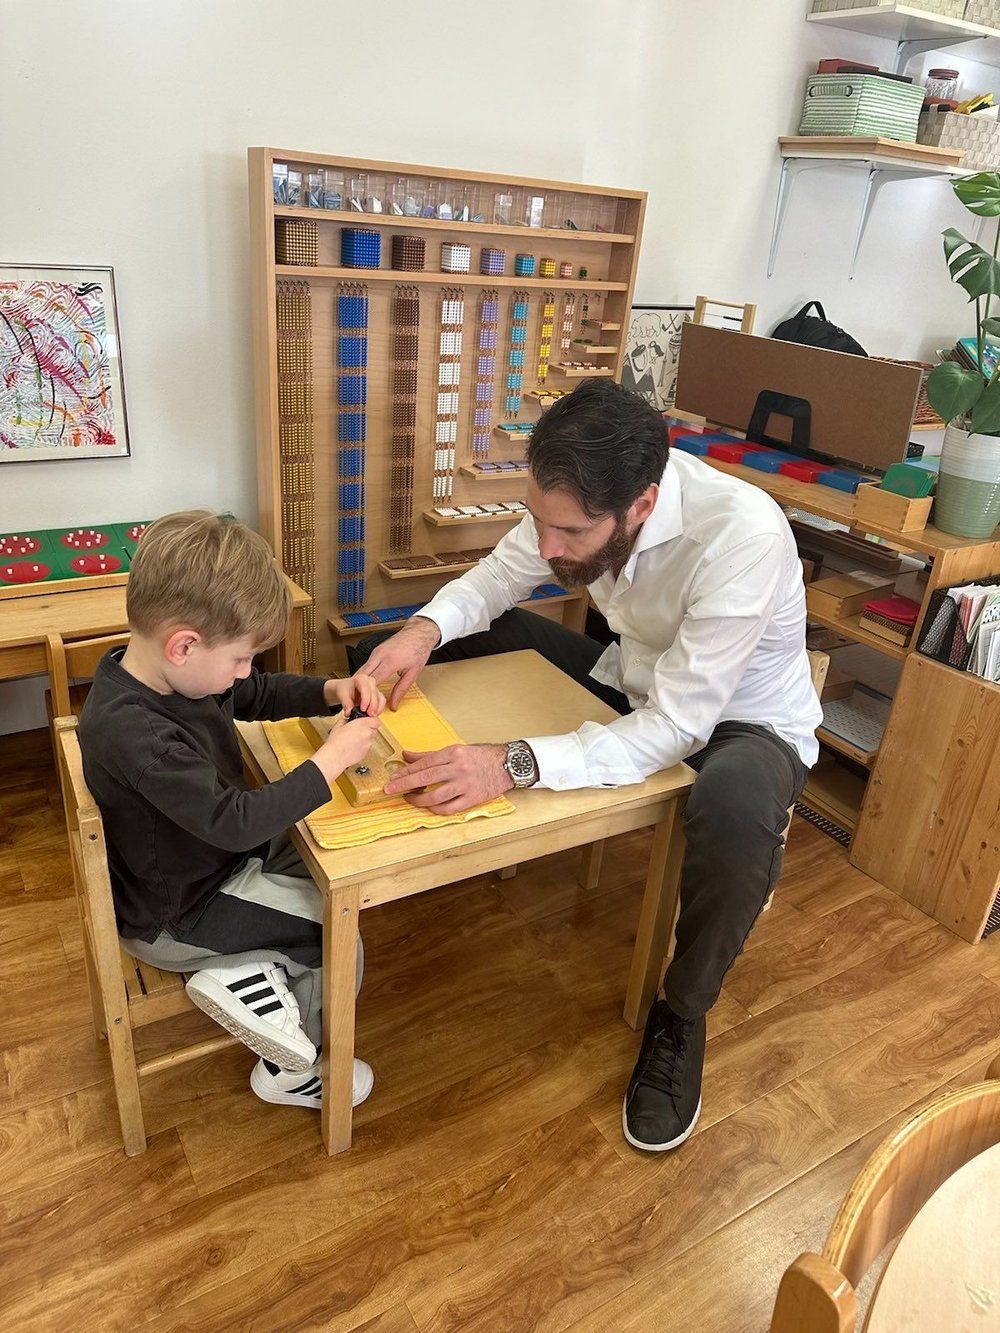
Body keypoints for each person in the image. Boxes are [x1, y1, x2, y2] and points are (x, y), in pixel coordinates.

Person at [348, 378, 821, 1152]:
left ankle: (682, 1014)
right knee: (420, 644)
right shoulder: (572, 510)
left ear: (639, 506)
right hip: (631, 685)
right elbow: (500, 578)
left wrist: (511, 763)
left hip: (737, 724)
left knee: (732, 810)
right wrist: (421, 631)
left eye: (567, 531)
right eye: (538, 518)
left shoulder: (745, 537)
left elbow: (677, 724)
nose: (546, 547)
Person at [80, 510, 384, 1112]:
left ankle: (253, 976)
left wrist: (330, 690)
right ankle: (293, 1069)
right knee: (337, 934)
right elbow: (236, 819)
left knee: (328, 852)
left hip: (209, 864)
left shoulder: (160, 675)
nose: (245, 672)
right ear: (185, 644)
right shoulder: (136, 731)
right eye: (241, 657)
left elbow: (251, 694)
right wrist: (329, 761)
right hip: (180, 915)